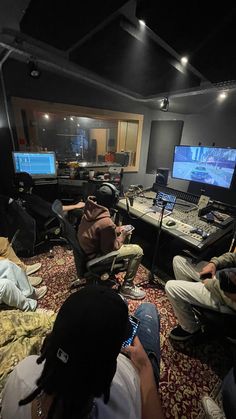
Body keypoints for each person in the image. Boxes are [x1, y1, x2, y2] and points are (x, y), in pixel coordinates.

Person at [1, 286, 164, 419]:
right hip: (138, 370)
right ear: (106, 378)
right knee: (147, 309)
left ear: (49, 344)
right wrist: (144, 369)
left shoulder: (22, 373)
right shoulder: (123, 402)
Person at [78, 183, 146, 300]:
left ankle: (121, 263)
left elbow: (98, 229)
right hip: (96, 257)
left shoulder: (89, 210)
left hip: (88, 251)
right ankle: (127, 287)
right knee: (138, 251)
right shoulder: (106, 223)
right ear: (113, 201)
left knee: (122, 232)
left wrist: (117, 229)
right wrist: (123, 234)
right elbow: (110, 248)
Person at [165, 252, 236, 340]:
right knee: (178, 261)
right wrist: (215, 263)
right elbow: (234, 256)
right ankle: (191, 312)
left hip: (226, 296)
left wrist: (211, 284)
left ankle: (191, 329)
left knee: (171, 287)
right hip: (224, 278)